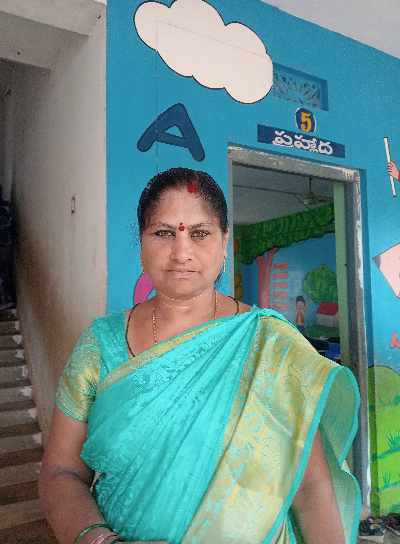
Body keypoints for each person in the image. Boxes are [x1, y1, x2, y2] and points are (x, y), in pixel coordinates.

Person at [40, 168, 361, 544]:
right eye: (163, 233)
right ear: (141, 243)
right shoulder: (100, 346)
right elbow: (61, 472)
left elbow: (311, 490)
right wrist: (99, 540)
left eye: (199, 233)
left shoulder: (271, 346)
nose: (182, 253)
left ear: (224, 242)